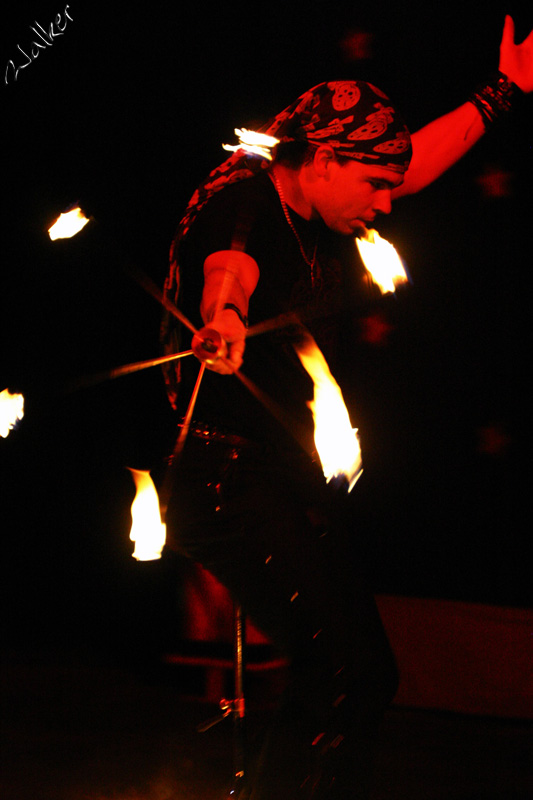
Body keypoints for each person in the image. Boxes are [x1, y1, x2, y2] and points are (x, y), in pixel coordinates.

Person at [160, 17, 532, 800]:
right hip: (223, 483)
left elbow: (414, 161)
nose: (389, 201)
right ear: (323, 160)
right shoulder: (245, 205)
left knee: (353, 674)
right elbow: (228, 272)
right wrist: (222, 319)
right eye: (374, 184)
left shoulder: (317, 191)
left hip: (270, 477)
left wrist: (502, 95)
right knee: (351, 673)